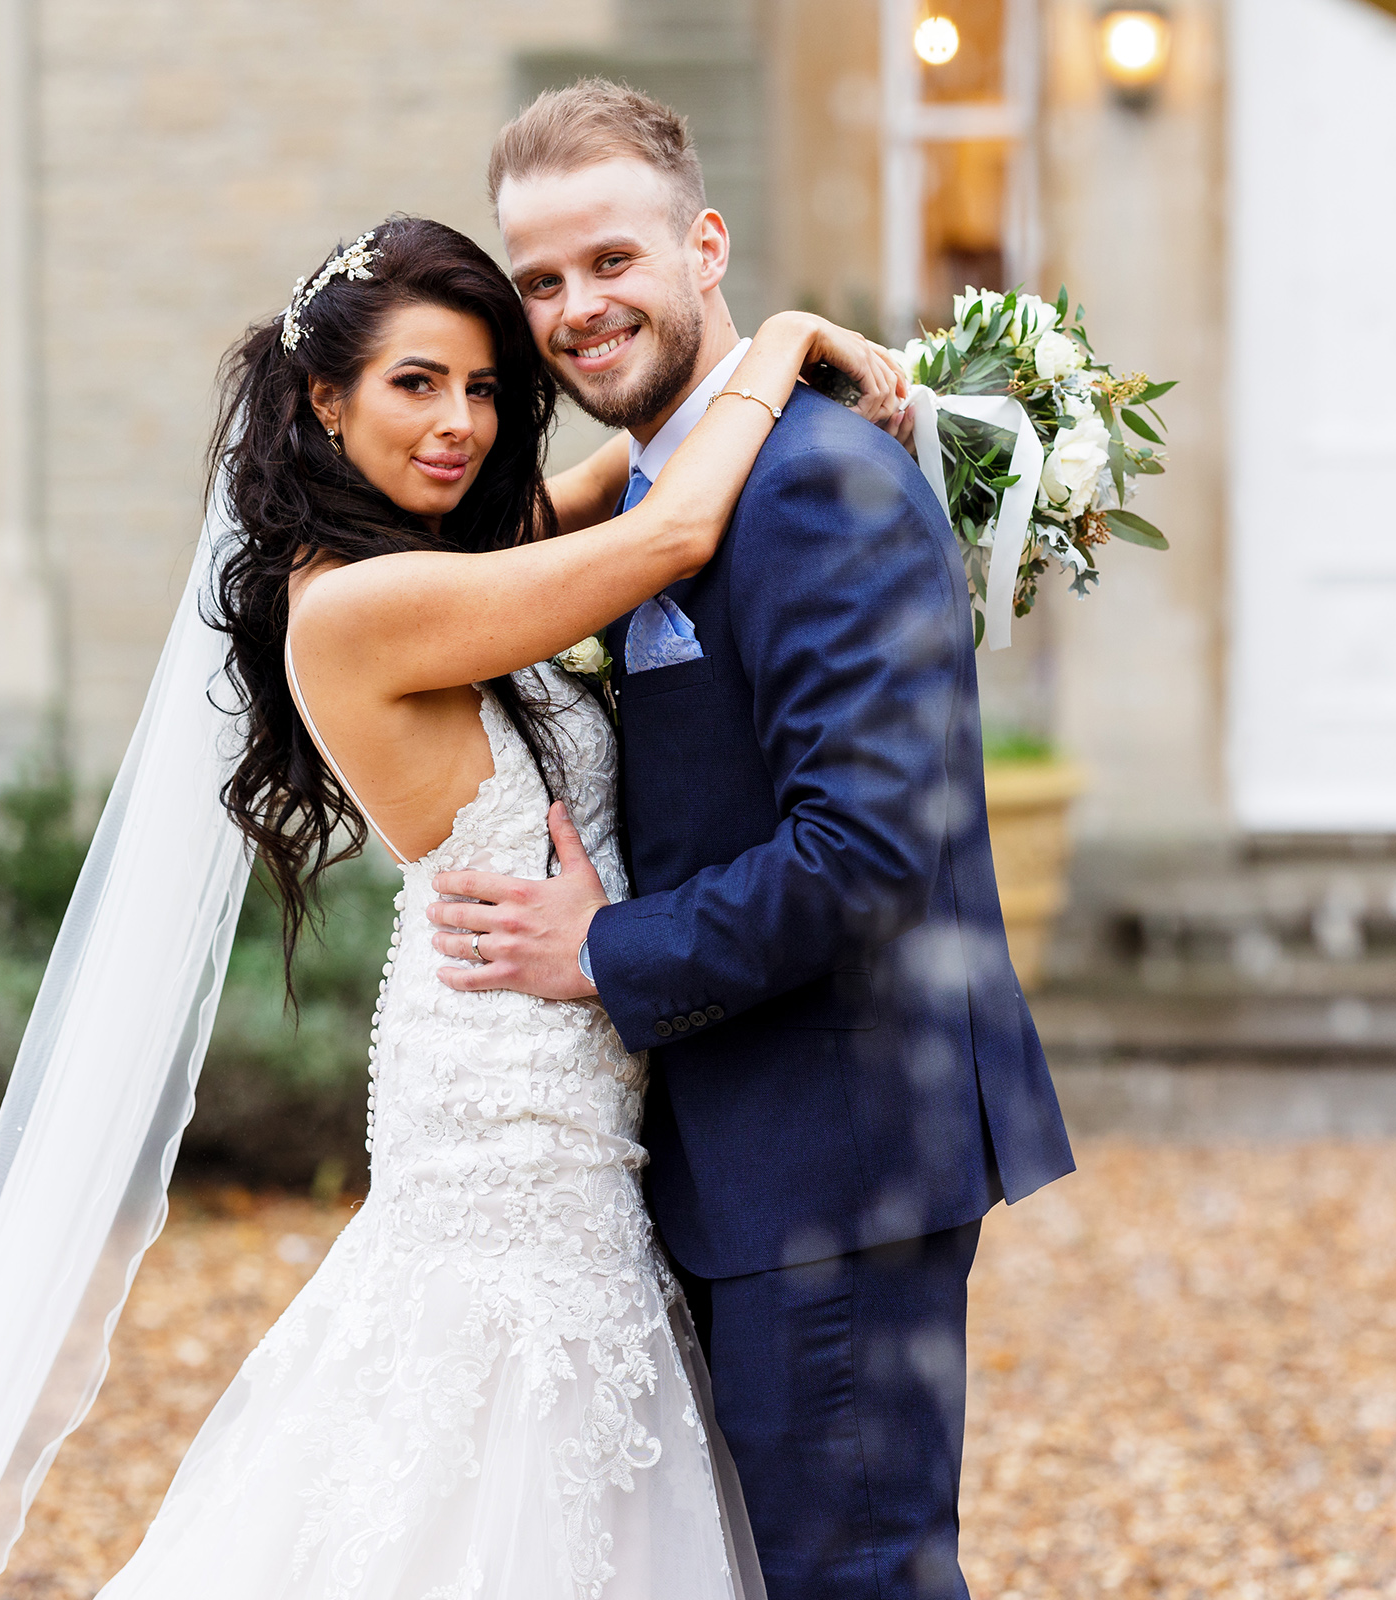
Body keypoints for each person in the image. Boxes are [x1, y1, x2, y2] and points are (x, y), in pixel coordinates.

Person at [88, 216, 908, 1599]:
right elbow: (672, 527)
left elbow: (593, 494)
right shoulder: (360, 607)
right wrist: (782, 337)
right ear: (322, 401)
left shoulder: (426, 570)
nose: (461, 424)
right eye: (417, 385)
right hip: (509, 1085)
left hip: (561, 1043)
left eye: (481, 387)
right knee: (494, 1461)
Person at [421, 82, 1078, 1600]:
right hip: (738, 1153)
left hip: (833, 1153)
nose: (578, 310)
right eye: (540, 282)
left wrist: (602, 952)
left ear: (704, 245)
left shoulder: (822, 491)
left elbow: (862, 849)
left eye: (611, 262)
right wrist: (779, 349)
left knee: (857, 1578)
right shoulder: (669, 488)